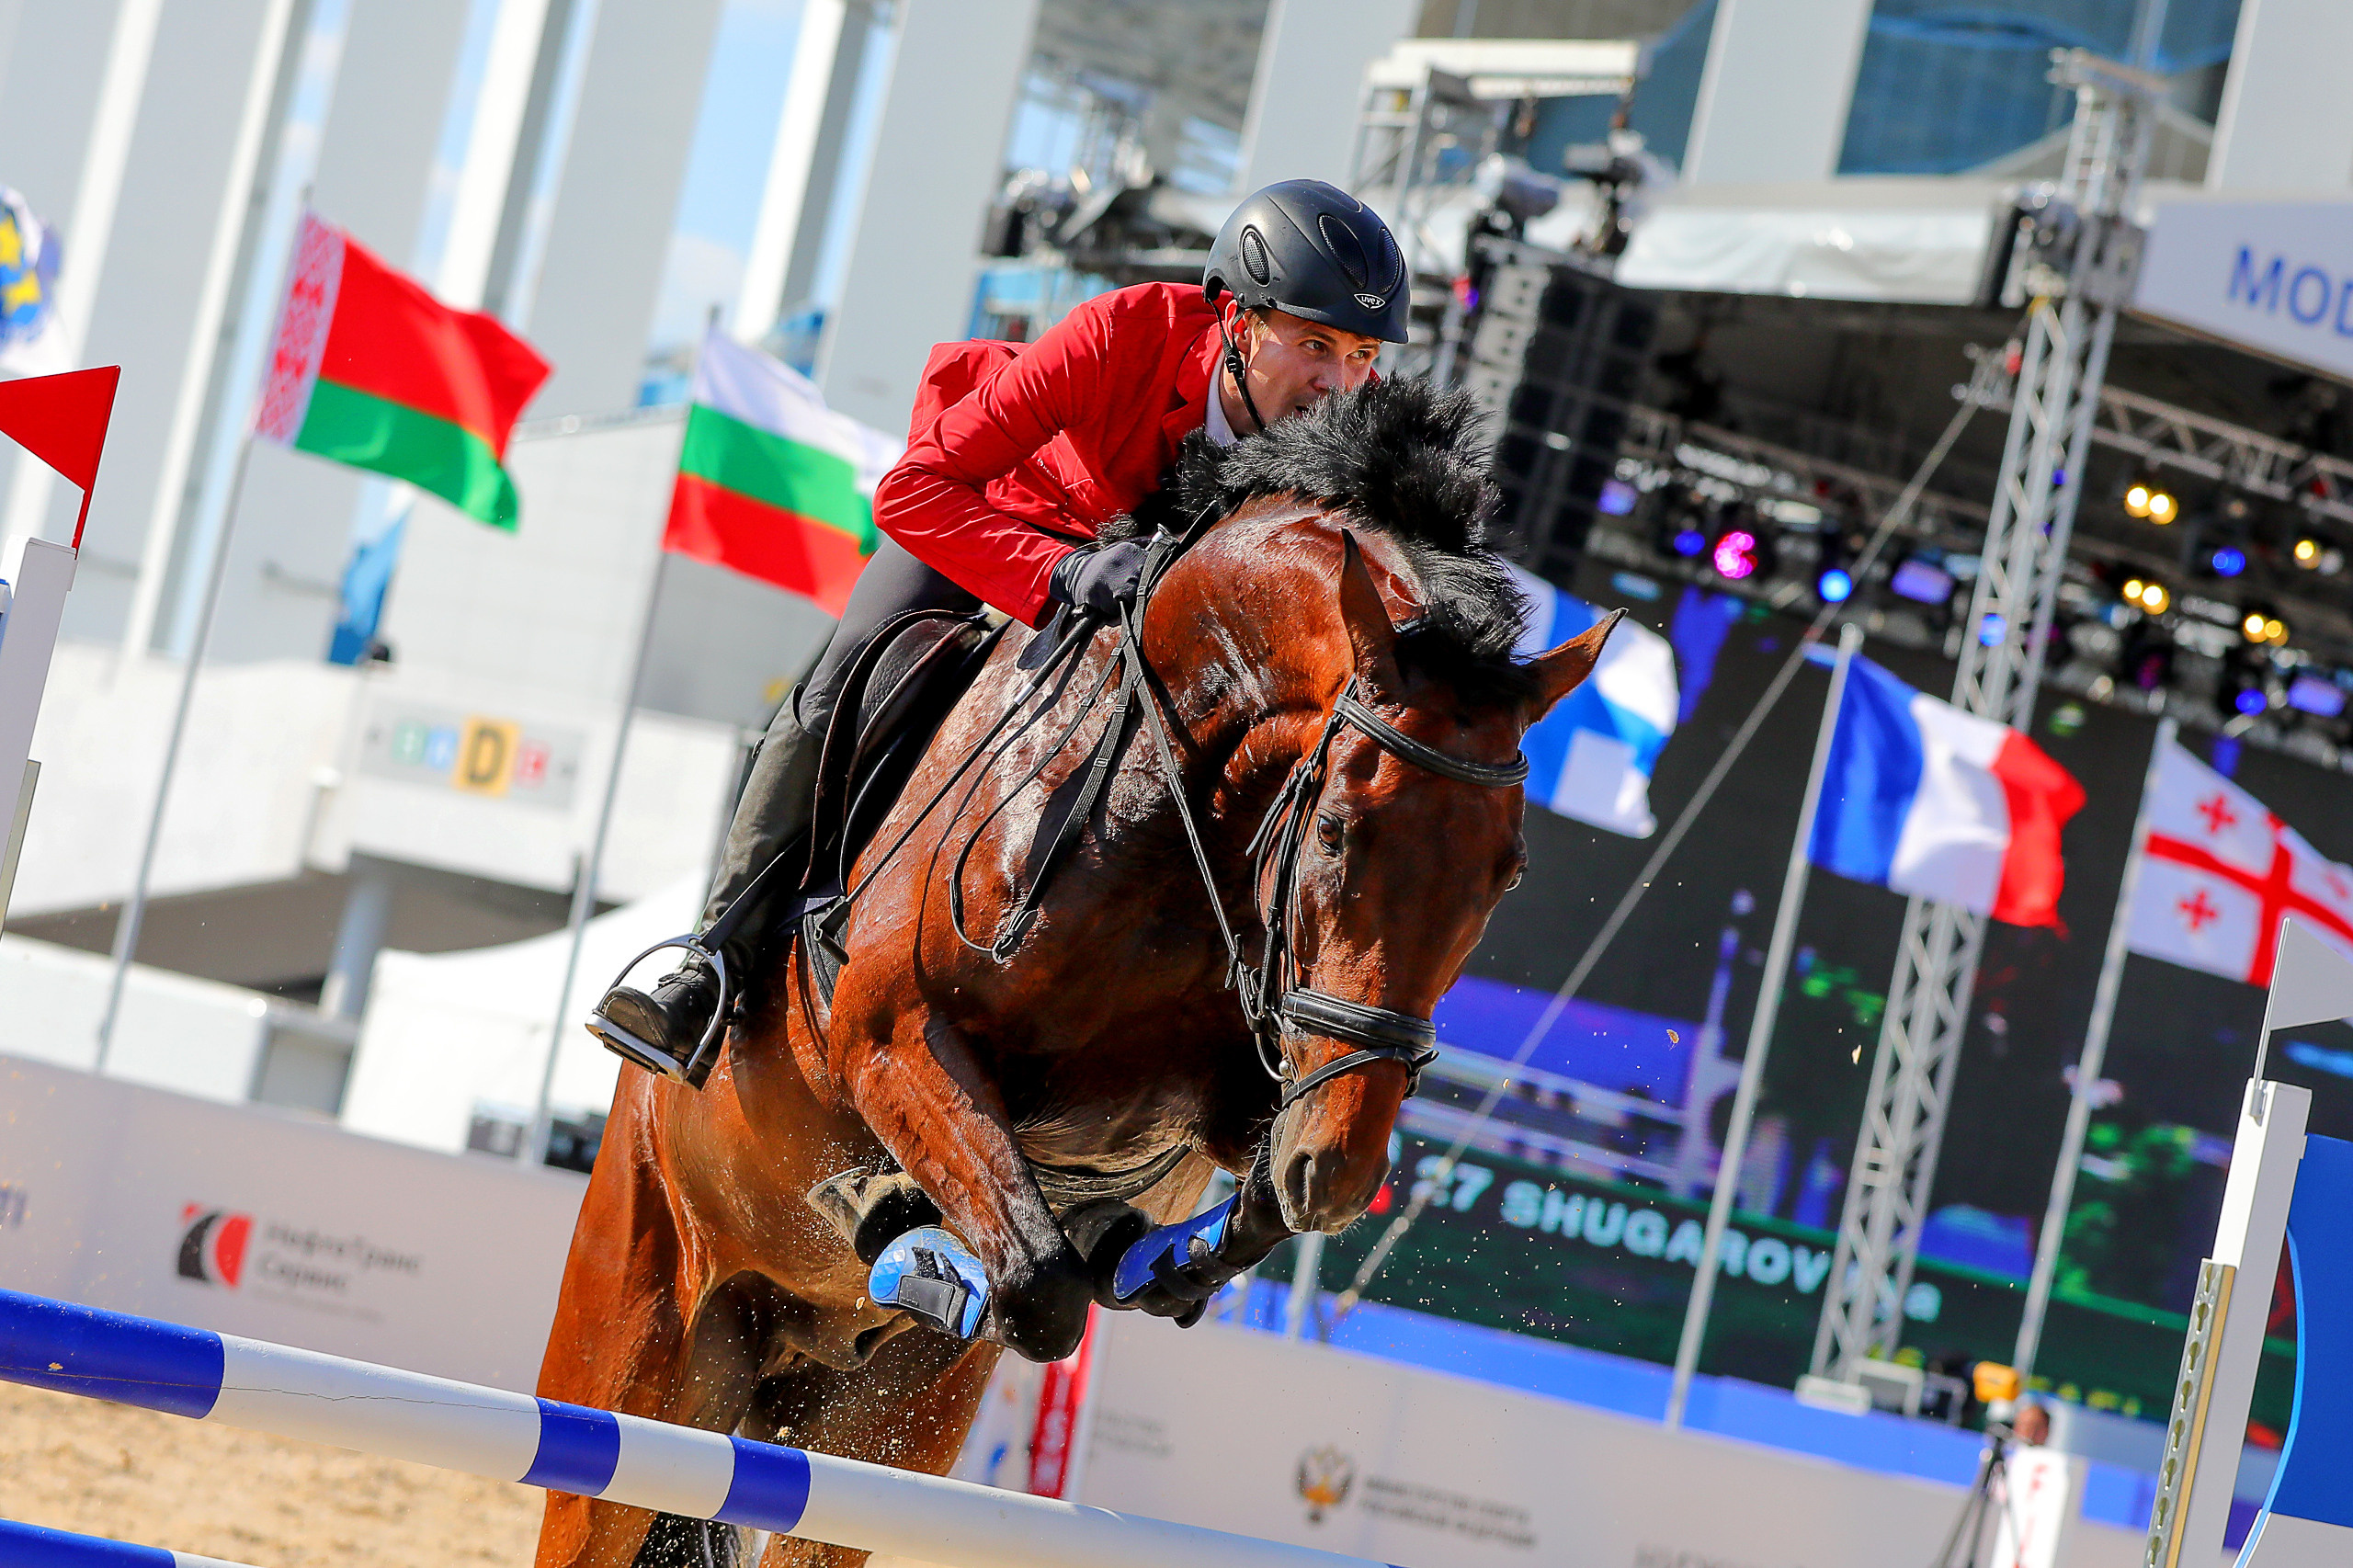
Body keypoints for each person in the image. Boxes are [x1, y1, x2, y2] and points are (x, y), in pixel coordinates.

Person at [588, 179, 1408, 1078]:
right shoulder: (1119, 333)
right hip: (1000, 519)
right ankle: (712, 962)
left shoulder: (1351, 436)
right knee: (843, 678)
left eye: (1363, 355)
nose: (1338, 382)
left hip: (1151, 595)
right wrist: (1056, 571)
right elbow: (911, 491)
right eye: (1315, 344)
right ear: (1239, 322)